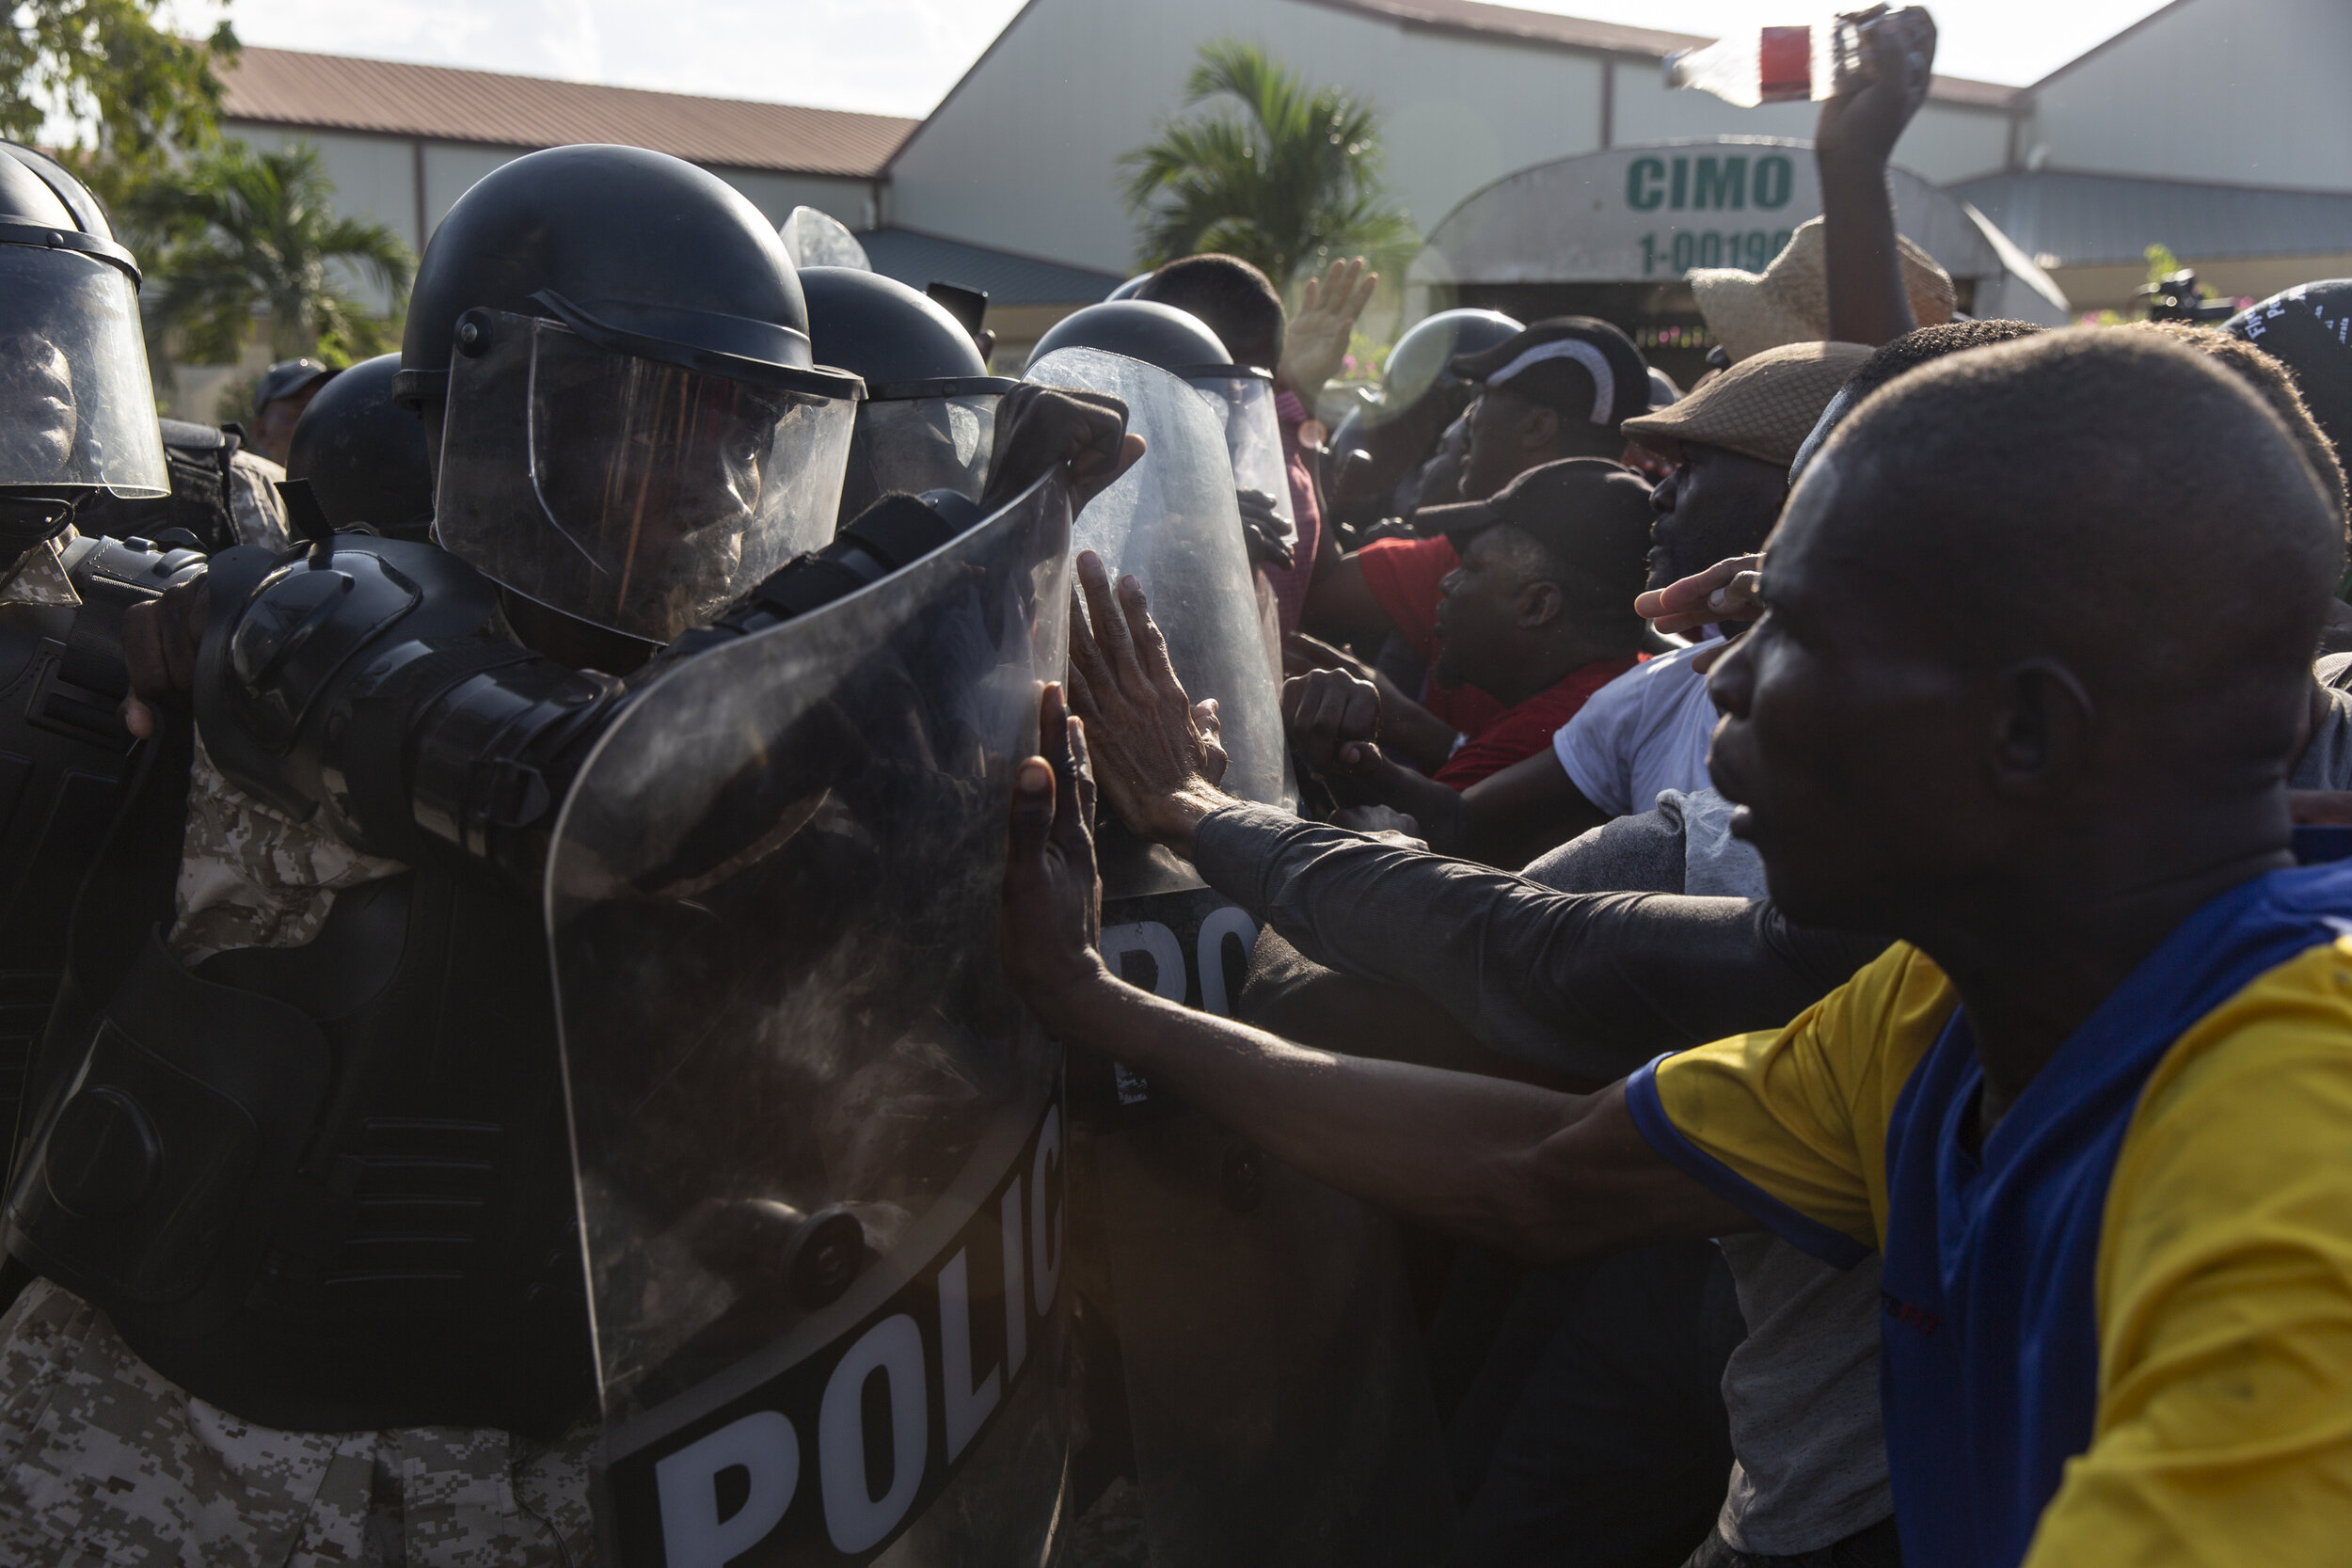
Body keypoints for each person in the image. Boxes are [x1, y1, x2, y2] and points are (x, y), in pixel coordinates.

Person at [1000, 326, 2352, 1567]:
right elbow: (1536, 1168)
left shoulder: (2294, 1161)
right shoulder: (1937, 1002)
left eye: (1796, 629)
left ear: (2027, 733)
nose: (1722, 676)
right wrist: (1091, 994)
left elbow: (1544, 965)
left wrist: (1189, 816)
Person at [0, 139, 1135, 1565]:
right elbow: (600, 796)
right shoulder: (316, 630)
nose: (714, 487)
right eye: (653, 426)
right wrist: (950, 543)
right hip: (184, 1469)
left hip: (516, 1475)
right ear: (498, 409)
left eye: (743, 434)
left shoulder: (695, 698)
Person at [1300, 317, 1656, 781]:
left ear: (1536, 426)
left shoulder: (1598, 704)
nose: (1469, 417)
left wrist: (1300, 414)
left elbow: (1313, 586)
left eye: (1484, 396)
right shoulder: (1647, 551)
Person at [1285, 458, 1648, 807]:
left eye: (1471, 568)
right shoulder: (1628, 690)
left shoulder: (1553, 735)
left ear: (1537, 606)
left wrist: (1334, 757)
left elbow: (1402, 849)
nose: (1446, 582)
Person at [244, 356, 336, 465]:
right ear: (262, 432)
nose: (323, 423)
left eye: (326, 408)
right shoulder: (242, 479)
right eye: (303, 410)